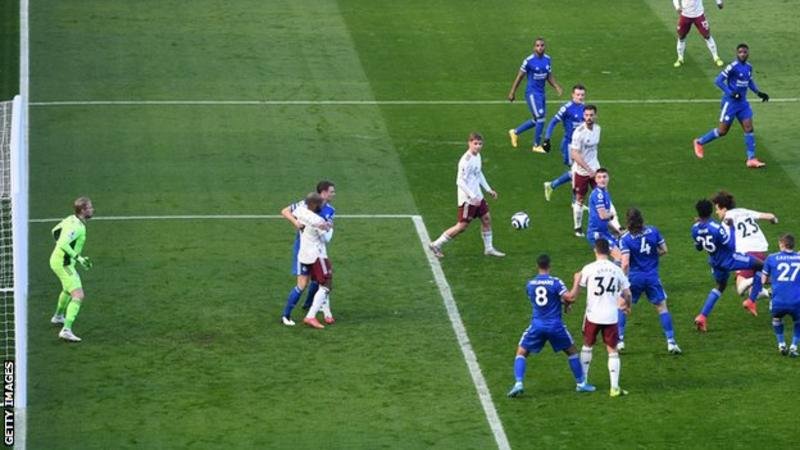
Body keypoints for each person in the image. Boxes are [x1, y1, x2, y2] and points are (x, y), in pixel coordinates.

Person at [507, 254, 596, 398]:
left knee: (521, 353)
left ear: (538, 266)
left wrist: (561, 302)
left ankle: (518, 383)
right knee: (572, 352)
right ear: (549, 265)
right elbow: (571, 297)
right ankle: (581, 384)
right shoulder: (555, 282)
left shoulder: (530, 284)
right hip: (555, 325)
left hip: (537, 325)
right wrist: (576, 281)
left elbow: (542, 301)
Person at [570, 239, 632, 397]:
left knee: (587, 346)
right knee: (612, 351)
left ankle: (582, 381)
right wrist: (627, 305)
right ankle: (614, 387)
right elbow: (627, 293)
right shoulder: (616, 269)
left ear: (595, 250)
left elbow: (578, 289)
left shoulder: (589, 268)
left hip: (592, 314)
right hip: (611, 316)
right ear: (609, 251)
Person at [691, 199, 765, 332]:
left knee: (720, 286)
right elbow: (731, 244)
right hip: (729, 259)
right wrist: (731, 227)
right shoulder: (716, 227)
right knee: (761, 266)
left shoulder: (694, 228)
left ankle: (702, 316)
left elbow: (698, 248)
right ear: (711, 211)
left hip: (714, 262)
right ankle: (751, 300)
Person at [693, 43, 770, 168]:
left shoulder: (749, 67)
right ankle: (699, 142)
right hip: (730, 104)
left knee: (749, 128)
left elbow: (749, 81)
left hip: (743, 104)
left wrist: (759, 93)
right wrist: (731, 93)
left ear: (748, 53)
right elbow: (718, 80)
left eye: (745, 52)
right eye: (740, 52)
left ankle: (751, 159)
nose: (743, 54)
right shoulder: (732, 67)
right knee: (722, 131)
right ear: (737, 53)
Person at [429, 132, 505, 258]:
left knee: (486, 219)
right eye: (475, 144)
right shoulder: (465, 161)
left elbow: (479, 173)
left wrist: (488, 189)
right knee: (462, 226)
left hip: (478, 196)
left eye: (480, 144)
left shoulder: (478, 156)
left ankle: (489, 248)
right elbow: (459, 181)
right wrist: (471, 196)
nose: (478, 146)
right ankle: (436, 244)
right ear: (469, 143)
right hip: (468, 200)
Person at [618, 208, 681, 354]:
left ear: (628, 221)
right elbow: (664, 250)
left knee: (622, 306)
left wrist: (623, 280)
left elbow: (625, 263)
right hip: (652, 276)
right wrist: (652, 256)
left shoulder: (625, 239)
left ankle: (619, 341)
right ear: (641, 219)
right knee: (662, 307)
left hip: (635, 277)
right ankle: (671, 342)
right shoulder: (653, 231)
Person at [280, 181, 336, 326]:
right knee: (304, 283)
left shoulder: (326, 210)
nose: (334, 194)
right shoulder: (307, 209)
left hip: (314, 250)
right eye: (332, 191)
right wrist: (296, 223)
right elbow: (285, 211)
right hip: (304, 249)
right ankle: (286, 315)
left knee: (318, 280)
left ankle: (311, 307)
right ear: (323, 193)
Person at [711, 191, 777, 299]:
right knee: (752, 289)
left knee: (741, 288)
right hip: (760, 249)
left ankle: (777, 277)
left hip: (746, 252)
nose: (716, 212)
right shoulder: (744, 211)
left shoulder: (727, 220)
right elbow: (769, 216)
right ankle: (768, 289)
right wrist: (774, 220)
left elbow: (726, 241)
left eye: (717, 209)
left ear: (724, 209)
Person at [49, 197, 95, 342]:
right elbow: (62, 241)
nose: (92, 209)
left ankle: (58, 317)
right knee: (78, 295)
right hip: (63, 264)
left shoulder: (71, 219)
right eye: (89, 207)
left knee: (67, 290)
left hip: (60, 260)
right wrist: (78, 258)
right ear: (82, 210)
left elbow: (54, 231)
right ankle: (66, 330)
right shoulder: (77, 227)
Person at [507, 37, 563, 153]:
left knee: (536, 119)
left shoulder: (548, 59)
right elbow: (520, 77)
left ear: (545, 46)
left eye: (542, 45)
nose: (540, 47)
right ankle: (536, 145)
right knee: (541, 118)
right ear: (534, 47)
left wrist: (556, 86)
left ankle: (515, 132)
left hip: (541, 93)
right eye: (537, 45)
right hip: (532, 93)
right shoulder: (528, 61)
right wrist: (512, 92)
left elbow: (549, 76)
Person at [292, 193, 334, 329]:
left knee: (319, 283)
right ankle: (311, 316)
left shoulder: (300, 211)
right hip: (317, 255)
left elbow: (293, 211)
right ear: (316, 205)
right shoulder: (318, 220)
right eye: (321, 203)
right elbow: (326, 239)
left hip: (304, 254)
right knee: (326, 284)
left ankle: (324, 313)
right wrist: (330, 226)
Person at [543, 84, 586, 202]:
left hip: (580, 146)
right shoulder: (566, 108)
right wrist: (547, 139)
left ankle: (551, 185)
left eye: (582, 95)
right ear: (572, 95)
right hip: (569, 145)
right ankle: (575, 202)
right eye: (578, 95)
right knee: (577, 172)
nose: (580, 97)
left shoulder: (586, 109)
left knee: (576, 172)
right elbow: (552, 122)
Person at [761, 234, 800, 357]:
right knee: (798, 321)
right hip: (796, 301)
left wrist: (777, 280)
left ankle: (781, 344)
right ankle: (793, 347)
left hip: (778, 301)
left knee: (777, 318)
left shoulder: (771, 258)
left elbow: (763, 280)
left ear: (782, 244)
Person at [569, 105, 601, 238]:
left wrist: (595, 169)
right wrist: (588, 169)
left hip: (595, 169)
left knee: (602, 196)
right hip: (581, 171)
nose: (589, 118)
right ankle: (578, 227)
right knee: (580, 199)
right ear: (583, 116)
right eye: (586, 115)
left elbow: (593, 151)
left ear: (595, 116)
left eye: (591, 115)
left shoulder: (598, 129)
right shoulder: (578, 132)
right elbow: (574, 154)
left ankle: (609, 225)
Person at [672, 0, 724, 68]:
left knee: (707, 36)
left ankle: (716, 57)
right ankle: (680, 58)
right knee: (681, 36)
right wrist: (677, 7)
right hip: (685, 15)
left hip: (699, 15)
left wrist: (719, 2)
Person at [586, 168, 622, 259]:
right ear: (595, 180)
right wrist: (611, 214)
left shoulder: (605, 193)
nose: (602, 179)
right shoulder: (598, 195)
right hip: (597, 234)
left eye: (604, 177)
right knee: (620, 258)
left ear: (608, 178)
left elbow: (604, 219)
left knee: (622, 253)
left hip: (604, 232)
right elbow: (603, 216)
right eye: (599, 177)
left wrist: (616, 231)